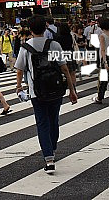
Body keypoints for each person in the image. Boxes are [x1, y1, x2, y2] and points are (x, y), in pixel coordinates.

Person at [15, 16, 78, 175]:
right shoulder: (54, 45)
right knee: (54, 120)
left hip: (37, 92)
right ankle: (52, 148)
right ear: (45, 28)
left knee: (42, 123)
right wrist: (71, 90)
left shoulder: (26, 47)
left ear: (30, 30)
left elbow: (20, 70)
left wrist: (19, 86)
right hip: (56, 89)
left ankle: (49, 159)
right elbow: (64, 68)